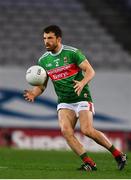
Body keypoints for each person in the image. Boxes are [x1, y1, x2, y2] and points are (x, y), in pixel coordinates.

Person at [24, 25, 127, 171]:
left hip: (81, 97)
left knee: (87, 130)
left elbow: (90, 71)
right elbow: (42, 85)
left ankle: (118, 154)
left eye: (50, 38)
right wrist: (34, 93)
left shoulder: (72, 53)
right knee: (66, 131)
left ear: (58, 39)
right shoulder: (43, 61)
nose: (46, 41)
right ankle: (89, 163)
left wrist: (82, 82)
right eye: (44, 38)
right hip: (64, 101)